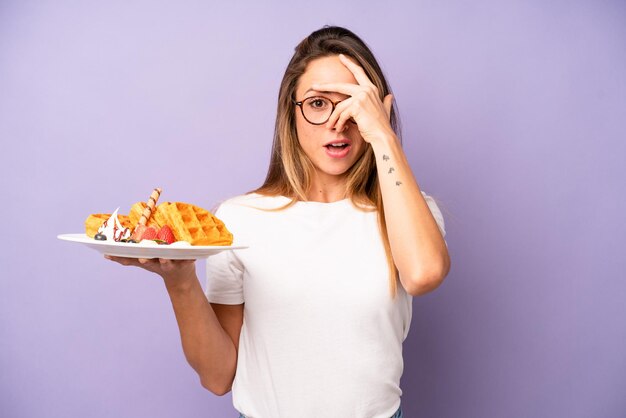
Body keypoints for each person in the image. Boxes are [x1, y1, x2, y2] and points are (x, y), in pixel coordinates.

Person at [107, 26, 450, 418]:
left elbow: (424, 275)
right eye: (318, 103)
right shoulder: (240, 219)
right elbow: (218, 377)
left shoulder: (409, 212)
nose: (337, 123)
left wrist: (384, 136)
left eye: (352, 103)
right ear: (292, 111)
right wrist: (181, 283)